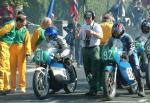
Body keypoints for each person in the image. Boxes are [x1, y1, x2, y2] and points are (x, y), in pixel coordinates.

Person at [108, 22, 145, 97]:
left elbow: (131, 47)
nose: (115, 33)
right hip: (119, 53)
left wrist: (128, 54)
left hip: (130, 54)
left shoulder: (128, 37)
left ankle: (141, 89)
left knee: (136, 69)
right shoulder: (112, 38)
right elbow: (109, 47)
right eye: (114, 31)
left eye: (117, 31)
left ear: (121, 31)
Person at [77, 10, 103, 96]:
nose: (87, 19)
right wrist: (77, 35)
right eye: (86, 18)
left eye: (89, 18)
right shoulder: (83, 26)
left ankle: (96, 87)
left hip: (94, 49)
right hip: (85, 49)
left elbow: (101, 36)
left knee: (95, 69)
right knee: (87, 70)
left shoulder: (97, 26)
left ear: (92, 18)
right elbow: (80, 37)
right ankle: (91, 87)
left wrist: (93, 33)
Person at [0, 12, 25, 95]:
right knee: (2, 67)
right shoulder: (10, 25)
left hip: (7, 47)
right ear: (18, 21)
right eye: (21, 25)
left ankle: (5, 87)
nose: (21, 27)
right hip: (3, 45)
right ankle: (0, 87)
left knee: (7, 67)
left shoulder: (15, 26)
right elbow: (1, 32)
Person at [9, 12, 31, 93]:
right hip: (11, 50)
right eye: (22, 23)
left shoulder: (25, 30)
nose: (23, 25)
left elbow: (27, 42)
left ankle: (22, 86)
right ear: (18, 22)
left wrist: (28, 52)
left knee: (22, 70)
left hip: (21, 50)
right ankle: (13, 87)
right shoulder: (11, 27)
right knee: (12, 70)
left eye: (24, 24)